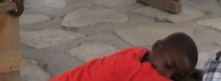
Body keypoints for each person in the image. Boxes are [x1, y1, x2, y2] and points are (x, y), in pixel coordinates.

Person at [50, 31, 198, 81]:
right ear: (156, 46)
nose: (166, 75)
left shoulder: (139, 53)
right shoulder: (133, 67)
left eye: (175, 77)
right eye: (168, 65)